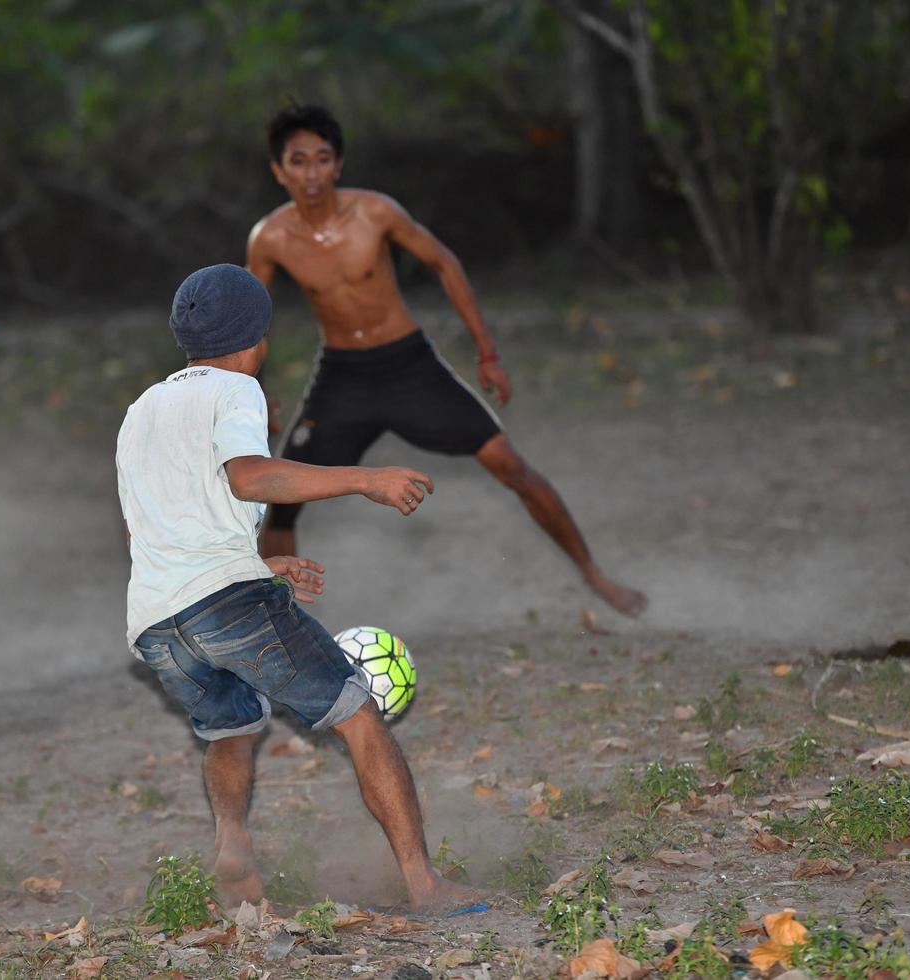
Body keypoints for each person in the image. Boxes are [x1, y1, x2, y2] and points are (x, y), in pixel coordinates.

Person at [117, 263, 475, 910]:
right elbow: (250, 477)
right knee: (359, 715)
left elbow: (148, 533)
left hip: (158, 621)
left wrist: (258, 565)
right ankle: (425, 885)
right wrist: (365, 480)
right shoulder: (235, 390)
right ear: (259, 335)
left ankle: (232, 842)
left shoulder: (142, 411)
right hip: (225, 603)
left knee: (231, 731)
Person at [246, 105, 647, 618]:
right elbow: (253, 315)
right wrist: (254, 389)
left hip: (409, 365)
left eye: (322, 159)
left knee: (511, 464)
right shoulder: (271, 238)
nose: (312, 174)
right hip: (343, 377)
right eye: (298, 162)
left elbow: (444, 261)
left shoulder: (375, 212)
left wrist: (488, 352)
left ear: (339, 165)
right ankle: (282, 625)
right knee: (282, 498)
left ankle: (596, 576)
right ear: (279, 171)